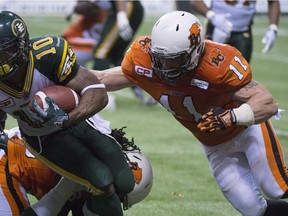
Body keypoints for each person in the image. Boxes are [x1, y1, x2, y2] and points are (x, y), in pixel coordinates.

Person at [93, 11, 288, 216]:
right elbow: (103, 78)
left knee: (276, 187)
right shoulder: (144, 61)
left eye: (174, 60)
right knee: (253, 209)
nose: (164, 67)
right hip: (215, 146)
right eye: (159, 58)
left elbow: (267, 103)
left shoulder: (216, 63)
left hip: (247, 131)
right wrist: (66, 75)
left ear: (194, 52)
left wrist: (230, 118)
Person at [0, 10, 135, 216]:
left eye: (5, 51)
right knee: (102, 183)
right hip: (42, 138)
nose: (1, 59)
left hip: (79, 122)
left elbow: (98, 93)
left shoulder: (48, 54)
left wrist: (67, 119)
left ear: (22, 45)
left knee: (126, 183)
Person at [0, 126, 153, 216]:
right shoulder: (85, 170)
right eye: (119, 197)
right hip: (6, 161)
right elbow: (53, 203)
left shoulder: (101, 152)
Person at [190, 0, 280, 62]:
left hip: (243, 32)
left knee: (240, 77)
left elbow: (273, 1)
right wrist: (212, 16)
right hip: (216, 28)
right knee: (208, 72)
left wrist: (273, 28)